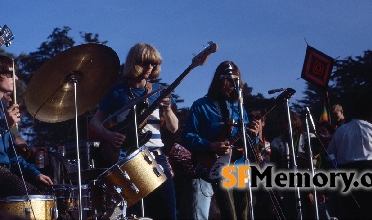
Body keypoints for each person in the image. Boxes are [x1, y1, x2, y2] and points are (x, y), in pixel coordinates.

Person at [89, 42, 178, 220]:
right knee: (132, 215)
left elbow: (173, 128)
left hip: (156, 156)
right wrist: (109, 135)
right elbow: (94, 122)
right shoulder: (117, 92)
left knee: (168, 211)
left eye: (153, 64)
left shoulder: (161, 91)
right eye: (145, 63)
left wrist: (167, 110)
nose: (149, 68)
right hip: (128, 158)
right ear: (134, 63)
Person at [181, 61, 261, 220]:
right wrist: (210, 146)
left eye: (234, 81)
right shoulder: (200, 105)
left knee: (245, 214)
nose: (231, 85)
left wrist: (254, 133)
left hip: (239, 168)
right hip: (215, 169)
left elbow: (246, 141)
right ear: (218, 80)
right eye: (226, 80)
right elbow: (187, 137)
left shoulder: (239, 107)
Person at [0, 54, 53, 197]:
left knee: (45, 195)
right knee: (31, 197)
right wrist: (4, 124)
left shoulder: (4, 110)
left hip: (4, 171)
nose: (16, 79)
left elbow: (12, 156)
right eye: (11, 74)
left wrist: (35, 174)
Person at [327, 98, 372, 220]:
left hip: (347, 177)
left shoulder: (341, 131)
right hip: (370, 175)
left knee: (351, 214)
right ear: (369, 115)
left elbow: (330, 154)